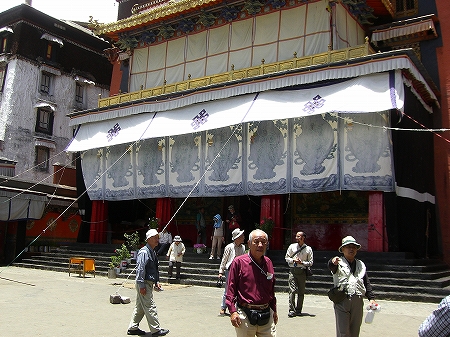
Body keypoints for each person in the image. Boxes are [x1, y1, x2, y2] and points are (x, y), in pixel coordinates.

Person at [225, 229, 278, 337]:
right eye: (256, 241)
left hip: (266, 313)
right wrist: (233, 311)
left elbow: (271, 290)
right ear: (249, 243)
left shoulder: (268, 263)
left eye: (263, 242)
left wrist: (274, 310)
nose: (260, 245)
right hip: (245, 314)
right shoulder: (238, 262)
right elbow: (230, 288)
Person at [328, 235, 377, 337]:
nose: (351, 249)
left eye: (354, 247)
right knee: (343, 331)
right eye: (348, 247)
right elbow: (331, 265)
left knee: (355, 330)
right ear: (343, 249)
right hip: (342, 299)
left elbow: (366, 282)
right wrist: (333, 262)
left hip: (358, 300)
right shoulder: (338, 262)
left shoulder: (361, 264)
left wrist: (371, 298)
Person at [127, 229, 169, 336]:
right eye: (155, 238)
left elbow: (154, 268)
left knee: (140, 307)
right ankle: (155, 329)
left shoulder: (152, 252)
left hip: (148, 282)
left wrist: (156, 281)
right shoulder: (144, 252)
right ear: (149, 239)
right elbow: (140, 269)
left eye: (157, 237)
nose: (157, 240)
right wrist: (141, 285)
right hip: (144, 282)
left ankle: (133, 327)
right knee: (150, 306)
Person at [284, 231, 313, 317]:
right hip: (293, 270)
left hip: (302, 271)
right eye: (296, 236)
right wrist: (293, 260)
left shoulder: (308, 249)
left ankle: (299, 309)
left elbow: (311, 262)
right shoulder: (292, 246)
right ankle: (291, 310)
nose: (297, 238)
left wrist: (302, 262)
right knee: (292, 290)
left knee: (301, 291)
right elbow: (286, 257)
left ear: (303, 237)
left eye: (299, 236)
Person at [218, 228, 246, 315]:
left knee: (239, 289)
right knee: (228, 289)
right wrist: (220, 272)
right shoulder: (229, 247)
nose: (243, 237)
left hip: (239, 271)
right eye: (242, 236)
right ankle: (223, 307)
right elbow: (224, 260)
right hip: (230, 270)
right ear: (237, 238)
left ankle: (236, 307)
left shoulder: (243, 247)